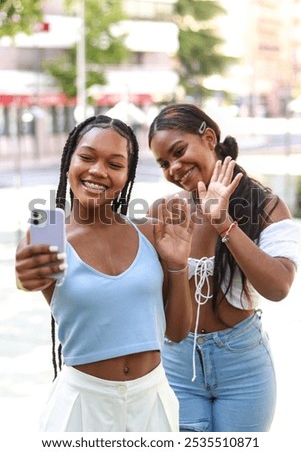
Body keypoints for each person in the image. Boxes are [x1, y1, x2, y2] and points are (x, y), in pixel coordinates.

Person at [15, 114, 194, 432]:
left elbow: (178, 332)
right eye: (86, 157)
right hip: (83, 404)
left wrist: (177, 264)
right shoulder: (48, 229)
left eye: (114, 164)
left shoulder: (148, 233)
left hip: (151, 401)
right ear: (69, 160)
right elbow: (29, 274)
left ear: (127, 174)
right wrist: (23, 278)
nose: (97, 171)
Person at [147, 103, 299, 432]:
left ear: (209, 138)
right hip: (178, 364)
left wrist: (223, 222)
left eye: (178, 151)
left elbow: (278, 287)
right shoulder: (166, 212)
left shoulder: (266, 205)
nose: (174, 168)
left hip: (242, 366)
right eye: (163, 163)